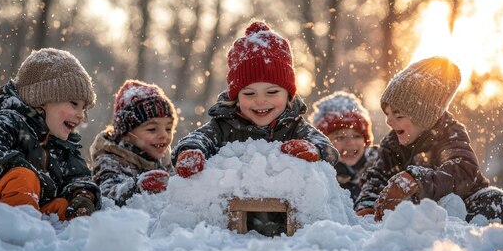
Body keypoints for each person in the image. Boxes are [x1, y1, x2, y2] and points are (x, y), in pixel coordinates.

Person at [172, 20, 339, 236]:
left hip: (288, 230)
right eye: (249, 94)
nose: (260, 101)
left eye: (272, 93)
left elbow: (329, 152)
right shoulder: (224, 125)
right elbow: (198, 139)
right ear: (236, 97)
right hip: (228, 230)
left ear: (289, 95)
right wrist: (190, 152)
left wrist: (316, 151)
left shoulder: (294, 126)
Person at [354, 56, 503, 225]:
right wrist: (368, 206)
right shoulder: (393, 144)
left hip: (464, 201)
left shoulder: (450, 134)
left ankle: (463, 227)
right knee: (401, 207)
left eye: (398, 115)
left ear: (424, 117)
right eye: (387, 114)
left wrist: (416, 180)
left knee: (496, 201)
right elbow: (376, 177)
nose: (389, 121)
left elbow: (462, 171)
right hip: (422, 209)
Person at [0, 48, 100, 221]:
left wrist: (83, 196)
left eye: (84, 108)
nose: (81, 115)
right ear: (42, 99)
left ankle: (40, 228)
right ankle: (16, 230)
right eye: (74, 104)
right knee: (23, 178)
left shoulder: (65, 145)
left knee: (65, 205)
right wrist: (33, 176)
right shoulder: (8, 122)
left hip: (28, 202)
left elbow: (78, 176)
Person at [90, 80, 176, 206]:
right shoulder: (110, 160)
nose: (164, 135)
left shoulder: (165, 160)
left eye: (168, 128)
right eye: (152, 129)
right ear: (126, 134)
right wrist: (136, 187)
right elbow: (107, 193)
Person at [310, 91, 378, 202]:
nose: (350, 143)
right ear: (324, 144)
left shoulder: (380, 171)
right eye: (340, 138)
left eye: (356, 136)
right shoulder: (316, 177)